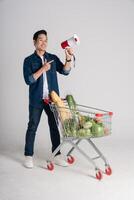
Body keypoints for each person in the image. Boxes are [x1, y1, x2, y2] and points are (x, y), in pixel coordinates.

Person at [23, 30, 73, 168]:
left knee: (54, 126)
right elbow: (28, 80)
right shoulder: (28, 60)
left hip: (51, 99)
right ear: (34, 42)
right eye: (40, 40)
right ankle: (28, 156)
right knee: (32, 126)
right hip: (36, 99)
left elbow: (65, 71)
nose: (43, 43)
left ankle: (56, 155)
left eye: (46, 40)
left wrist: (68, 58)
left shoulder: (52, 57)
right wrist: (43, 69)